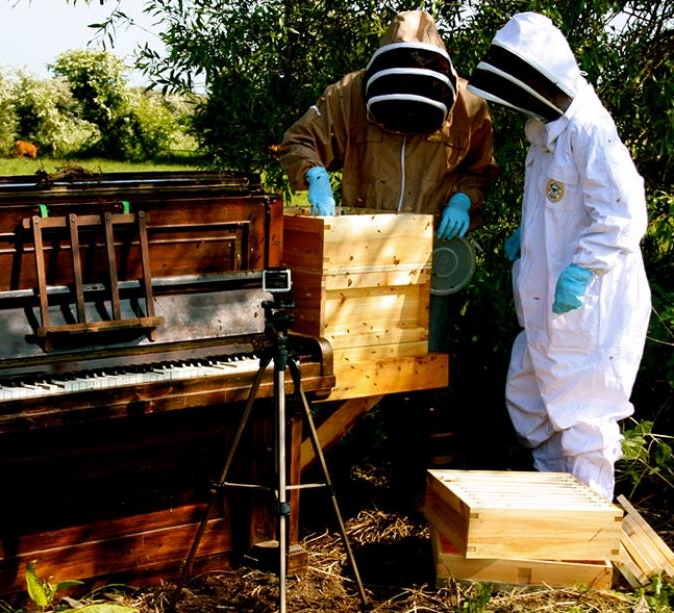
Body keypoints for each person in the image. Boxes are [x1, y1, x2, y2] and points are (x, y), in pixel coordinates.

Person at [466, 12, 651, 500]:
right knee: (531, 398)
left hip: (588, 303)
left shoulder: (589, 130)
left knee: (584, 414)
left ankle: (586, 521)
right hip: (546, 297)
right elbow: (557, 209)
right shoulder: (543, 132)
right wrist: (526, 239)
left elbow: (623, 214)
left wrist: (582, 270)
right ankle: (555, 499)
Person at [278, 8, 499, 354]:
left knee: (427, 355)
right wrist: (314, 174)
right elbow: (300, 140)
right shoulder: (347, 93)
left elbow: (480, 169)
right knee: (357, 354)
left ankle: (419, 408)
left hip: (434, 251)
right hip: (363, 249)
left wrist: (464, 200)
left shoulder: (469, 104)